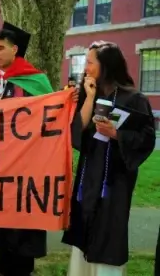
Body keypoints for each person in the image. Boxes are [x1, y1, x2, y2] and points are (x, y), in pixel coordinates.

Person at [62, 41, 156, 276]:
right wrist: (89, 97)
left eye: (90, 63)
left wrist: (116, 134)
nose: (86, 68)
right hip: (88, 174)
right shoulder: (88, 92)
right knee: (84, 224)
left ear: (106, 66)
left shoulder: (133, 98)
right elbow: (77, 130)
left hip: (114, 179)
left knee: (108, 230)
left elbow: (146, 139)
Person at [0, 22, 53, 276]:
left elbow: (47, 118)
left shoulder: (36, 80)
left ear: (15, 50)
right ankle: (4, 266)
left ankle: (21, 270)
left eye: (0, 48)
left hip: (26, 163)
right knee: (3, 214)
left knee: (23, 217)